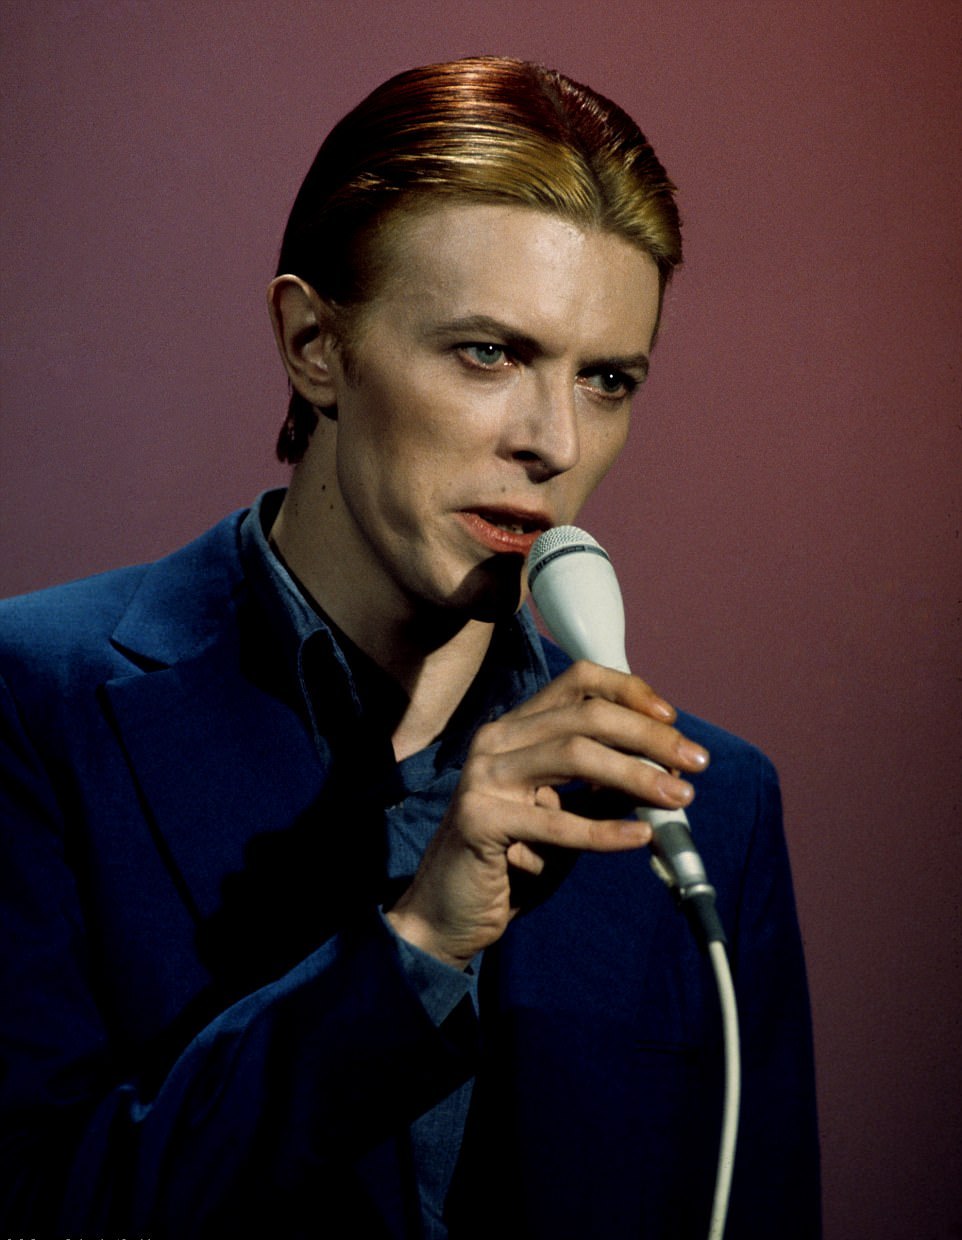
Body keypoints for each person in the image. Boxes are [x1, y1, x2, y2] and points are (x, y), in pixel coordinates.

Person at [0, 57, 819, 1238]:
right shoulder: (37, 704)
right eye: (488, 352)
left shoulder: (709, 808)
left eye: (606, 379)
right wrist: (417, 946)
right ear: (312, 343)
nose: (551, 440)